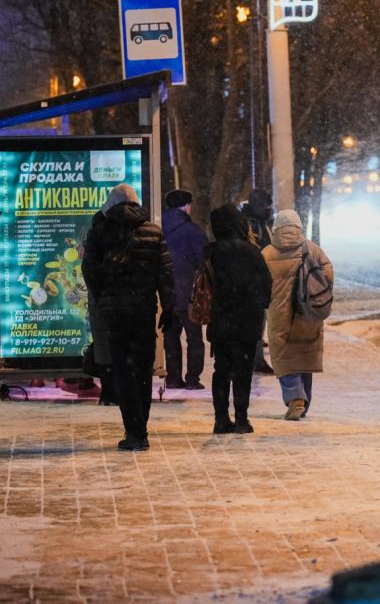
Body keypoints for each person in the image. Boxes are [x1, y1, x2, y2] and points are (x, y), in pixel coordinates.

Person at [83, 184, 174, 451]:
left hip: (114, 313)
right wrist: (167, 306)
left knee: (122, 371)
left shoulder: (100, 230)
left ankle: (134, 431)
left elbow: (89, 270)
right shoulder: (153, 232)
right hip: (143, 310)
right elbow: (165, 274)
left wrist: (103, 296)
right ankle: (140, 427)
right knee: (143, 370)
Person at [205, 204, 272, 434]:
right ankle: (242, 419)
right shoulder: (252, 252)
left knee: (221, 370)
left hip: (221, 320)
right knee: (243, 371)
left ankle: (221, 419)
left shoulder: (211, 252)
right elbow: (266, 287)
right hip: (247, 322)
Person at [263, 209, 333, 421]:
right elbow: (328, 273)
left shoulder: (267, 253)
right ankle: (304, 400)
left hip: (279, 313)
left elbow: (260, 284)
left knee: (284, 357)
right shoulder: (312, 249)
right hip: (307, 311)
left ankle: (295, 399)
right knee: (304, 355)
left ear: (276, 228)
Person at [161, 189, 208, 390]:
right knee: (194, 338)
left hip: (166, 293)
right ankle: (192, 379)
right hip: (189, 294)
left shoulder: (157, 227)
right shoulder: (193, 231)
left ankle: (172, 378)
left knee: (171, 336)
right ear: (186, 206)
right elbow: (204, 261)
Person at [242, 188, 275, 374]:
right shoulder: (253, 225)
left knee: (256, 320)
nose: (269, 209)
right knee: (256, 319)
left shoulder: (256, 222)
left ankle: (254, 357)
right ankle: (256, 360)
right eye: (267, 206)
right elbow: (259, 251)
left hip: (255, 278)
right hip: (255, 279)